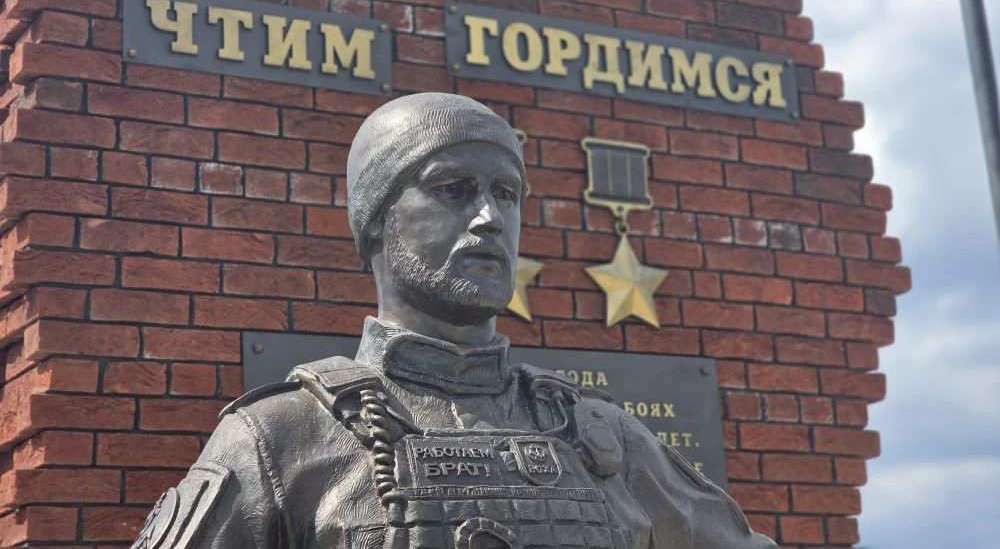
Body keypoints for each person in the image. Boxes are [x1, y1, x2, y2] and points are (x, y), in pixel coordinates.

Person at [132, 92, 776, 549]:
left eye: (506, 194)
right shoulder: (278, 438)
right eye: (452, 189)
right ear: (377, 219)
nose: (490, 217)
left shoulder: (608, 439)